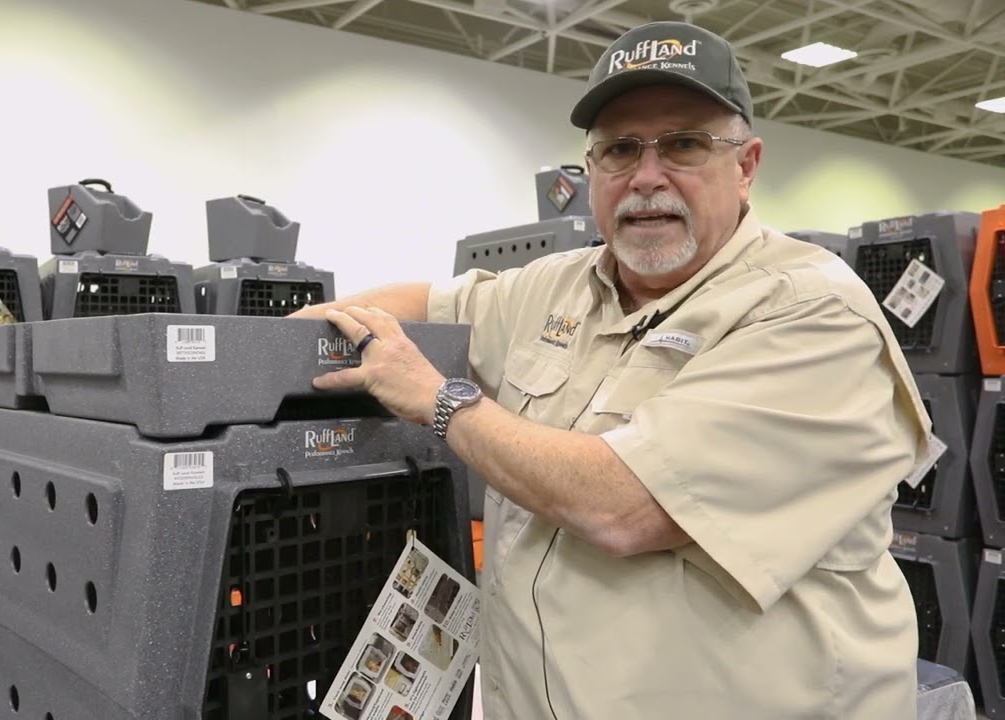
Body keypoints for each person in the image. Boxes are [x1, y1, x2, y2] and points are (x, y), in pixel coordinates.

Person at [291, 19, 932, 720]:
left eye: (684, 144)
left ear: (746, 165)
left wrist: (440, 402)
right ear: (590, 171)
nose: (647, 177)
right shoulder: (557, 287)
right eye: (620, 150)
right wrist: (262, 353)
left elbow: (625, 507)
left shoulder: (814, 315)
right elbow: (422, 303)